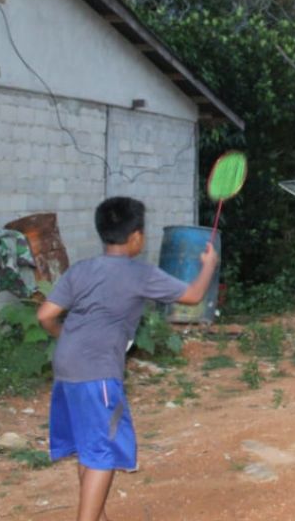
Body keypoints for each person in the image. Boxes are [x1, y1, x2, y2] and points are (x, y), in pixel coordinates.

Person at [37, 196, 217, 521]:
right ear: (135, 237)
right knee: (103, 452)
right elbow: (193, 296)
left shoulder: (81, 269)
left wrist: (63, 337)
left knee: (90, 445)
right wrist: (208, 266)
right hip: (98, 373)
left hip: (66, 370)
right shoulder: (140, 274)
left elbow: (45, 315)